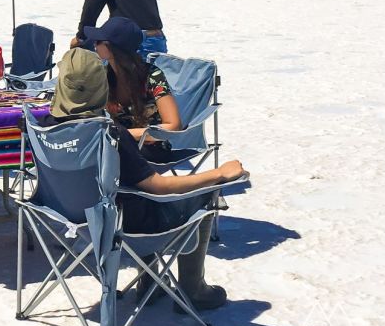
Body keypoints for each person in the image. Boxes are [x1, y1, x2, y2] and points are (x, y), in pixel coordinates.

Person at [43, 47, 247, 310]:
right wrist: (218, 174)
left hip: (69, 218)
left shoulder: (43, 127)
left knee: (131, 195)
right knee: (201, 194)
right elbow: (158, 187)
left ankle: (151, 282)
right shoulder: (111, 135)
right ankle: (193, 289)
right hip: (119, 225)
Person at [80, 16, 181, 163]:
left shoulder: (152, 76)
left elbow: (174, 126)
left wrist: (124, 135)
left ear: (113, 48)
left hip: (149, 149)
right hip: (115, 146)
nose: (94, 44)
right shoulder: (104, 75)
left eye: (99, 41)